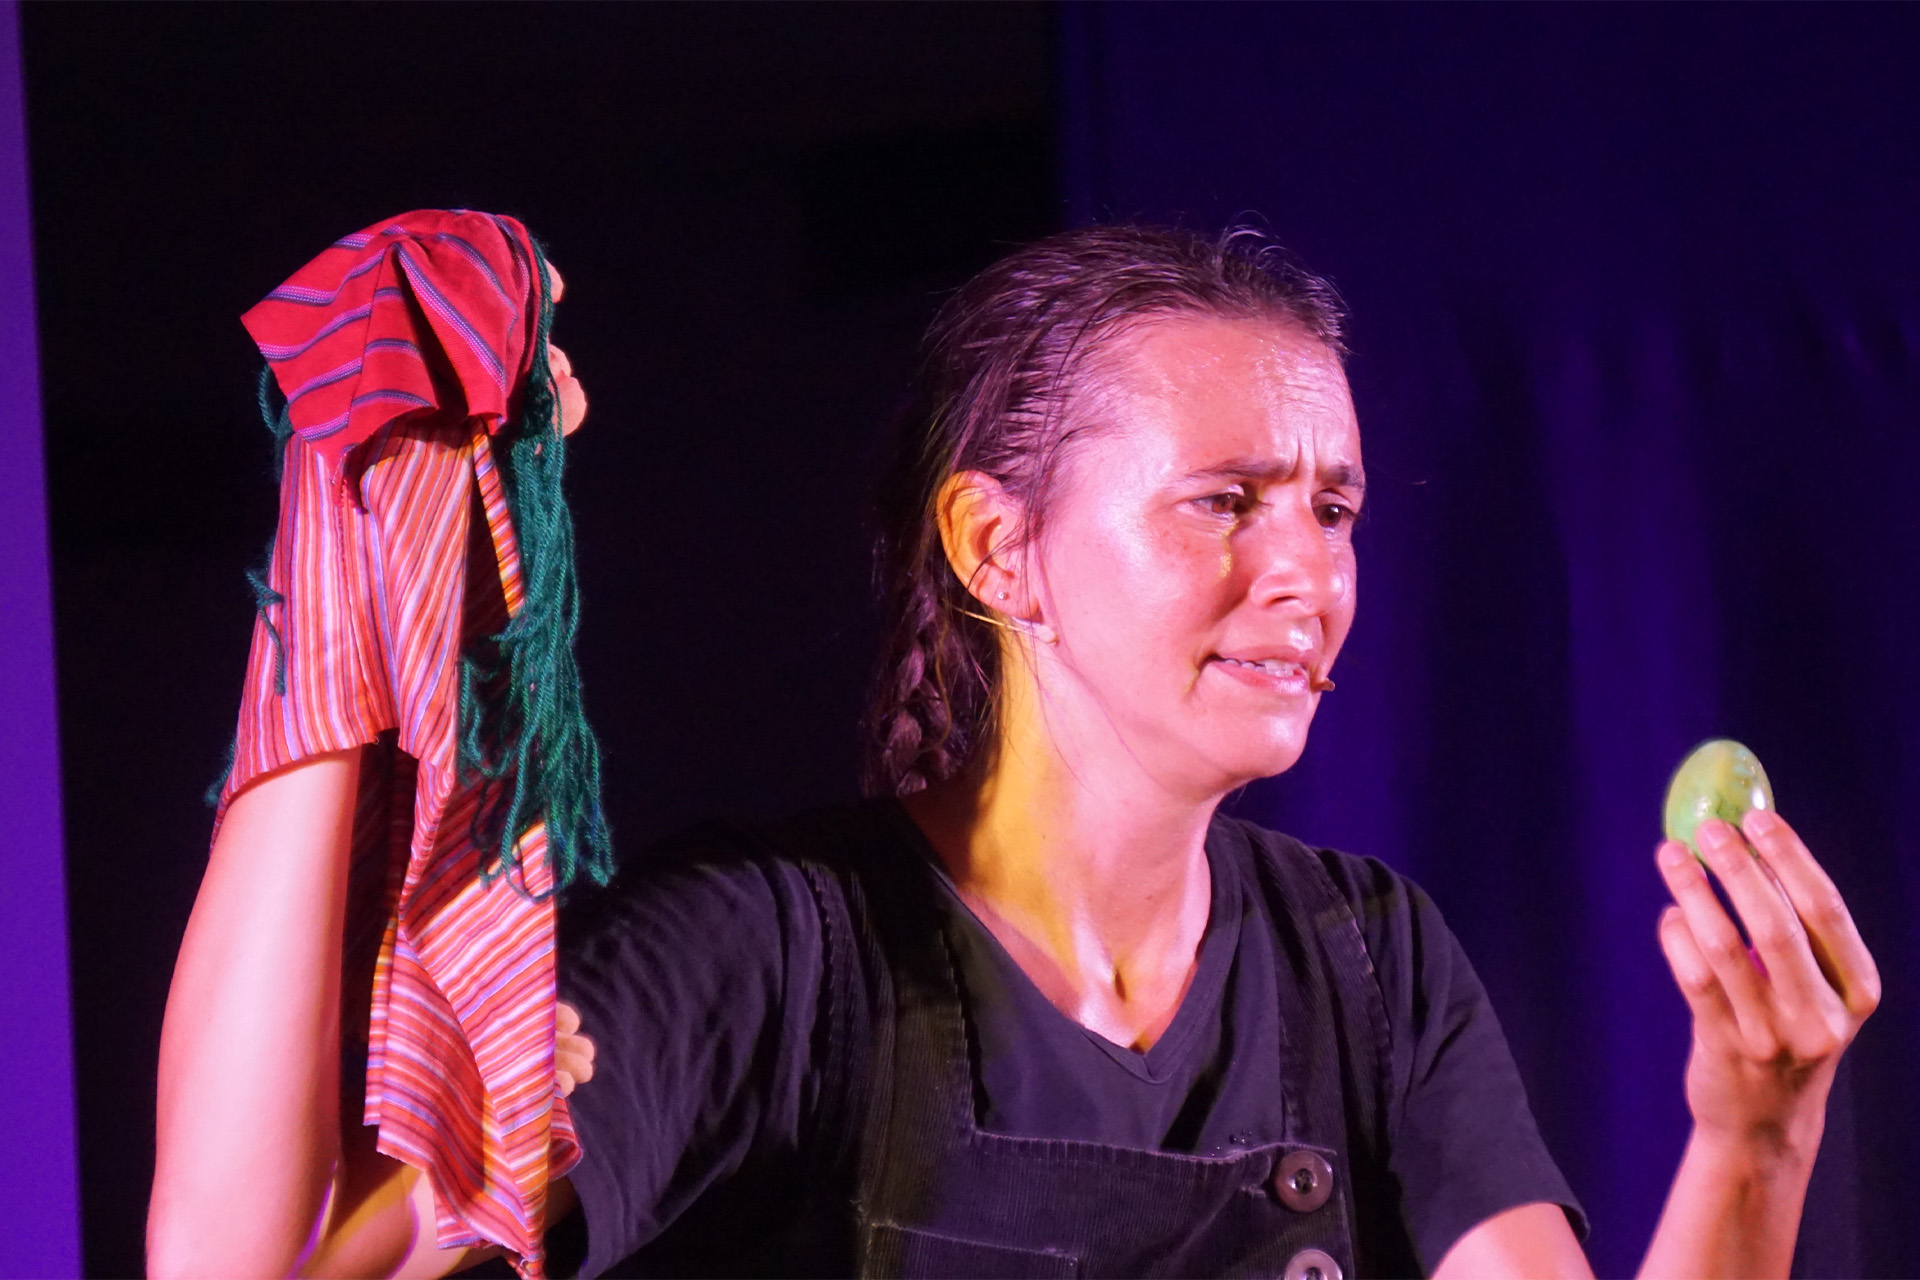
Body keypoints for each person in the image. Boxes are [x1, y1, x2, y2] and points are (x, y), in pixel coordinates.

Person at [151, 224, 1879, 1280]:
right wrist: (350, 552)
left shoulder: (1372, 966)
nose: (1310, 576)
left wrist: (1758, 1135)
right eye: (1227, 502)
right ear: (999, 549)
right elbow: (256, 1265)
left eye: (1334, 510)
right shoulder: (774, 958)